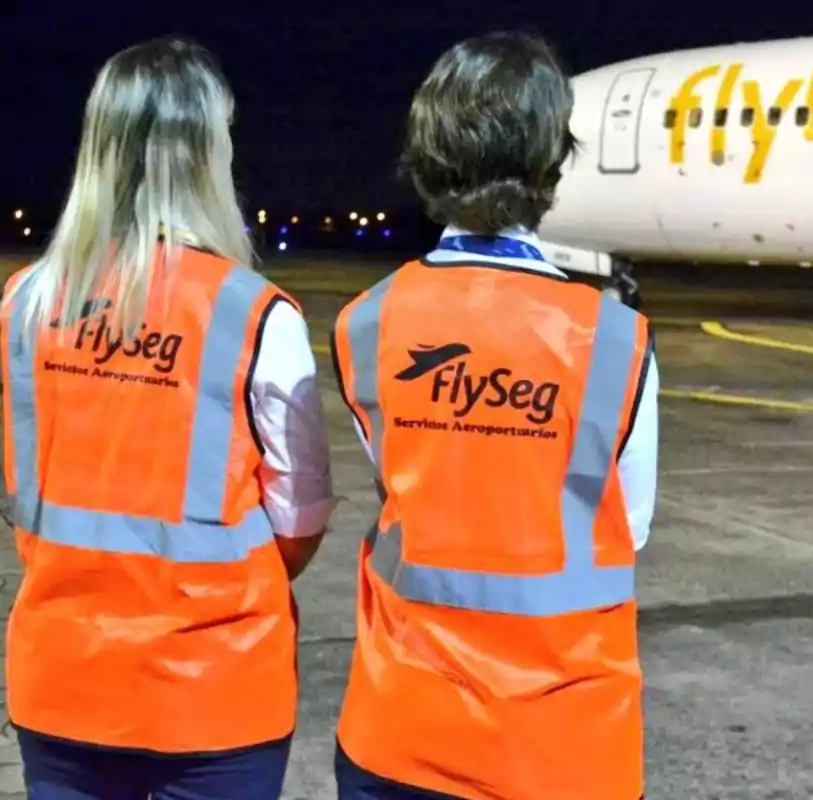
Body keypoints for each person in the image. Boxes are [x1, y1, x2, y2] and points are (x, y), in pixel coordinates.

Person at [0, 38, 335, 799]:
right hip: (214, 695)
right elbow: (298, 518)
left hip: (62, 679)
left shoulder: (24, 304)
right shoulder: (253, 314)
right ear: (207, 154)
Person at [329, 30, 659, 800]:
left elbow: (401, 490)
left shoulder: (366, 324)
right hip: (568, 743)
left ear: (431, 158)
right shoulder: (617, 340)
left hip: (401, 729)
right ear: (549, 163)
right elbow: (626, 528)